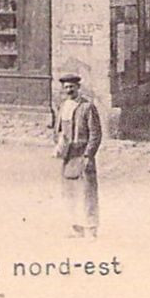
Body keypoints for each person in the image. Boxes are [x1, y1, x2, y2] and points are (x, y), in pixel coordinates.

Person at [53, 73, 103, 238]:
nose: (69, 90)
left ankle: (91, 228)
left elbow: (95, 134)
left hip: (82, 154)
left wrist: (89, 155)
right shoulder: (63, 106)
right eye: (66, 87)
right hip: (68, 155)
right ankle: (75, 227)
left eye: (72, 87)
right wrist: (59, 145)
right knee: (70, 191)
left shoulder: (87, 107)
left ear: (78, 88)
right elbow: (58, 130)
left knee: (87, 192)